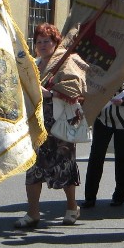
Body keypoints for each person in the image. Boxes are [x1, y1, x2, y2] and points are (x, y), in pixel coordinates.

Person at [15, 23, 88, 229]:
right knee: (33, 168)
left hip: (59, 124)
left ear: (56, 42)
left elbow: (76, 90)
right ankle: (32, 212)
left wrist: (52, 93)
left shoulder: (67, 62)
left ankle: (72, 207)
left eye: (47, 41)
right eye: (39, 42)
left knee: (64, 166)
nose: (42, 45)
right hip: (37, 124)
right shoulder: (35, 65)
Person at [83, 65, 124, 208]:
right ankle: (90, 196)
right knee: (96, 157)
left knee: (123, 159)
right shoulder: (100, 73)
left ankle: (120, 196)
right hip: (103, 118)